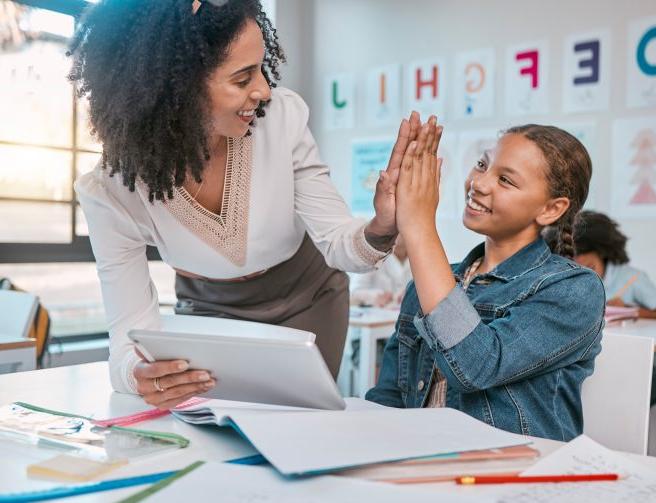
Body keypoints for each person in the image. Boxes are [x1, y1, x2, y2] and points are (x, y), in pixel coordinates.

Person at [69, 0, 432, 410]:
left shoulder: (281, 119)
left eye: (262, 68)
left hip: (307, 301)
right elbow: (127, 333)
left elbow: (339, 245)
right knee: (211, 433)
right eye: (242, 78)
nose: (263, 89)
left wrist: (382, 226)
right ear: (175, 88)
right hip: (208, 316)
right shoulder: (111, 191)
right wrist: (137, 377)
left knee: (293, 434)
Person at [366, 124, 605, 441]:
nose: (478, 182)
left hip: (516, 471)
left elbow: (476, 367)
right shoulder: (427, 282)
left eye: (505, 180)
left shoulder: (574, 289)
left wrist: (420, 227)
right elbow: (390, 398)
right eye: (482, 165)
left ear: (551, 209)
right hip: (423, 459)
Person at [569, 210, 656, 405]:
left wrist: (630, 309)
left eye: (590, 267)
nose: (583, 273)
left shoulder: (632, 278)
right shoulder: (574, 280)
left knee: (609, 400)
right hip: (604, 366)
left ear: (602, 252)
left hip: (648, 371)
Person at [350, 234, 411, 308]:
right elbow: (354, 291)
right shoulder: (374, 256)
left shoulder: (420, 260)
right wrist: (377, 296)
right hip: (376, 315)